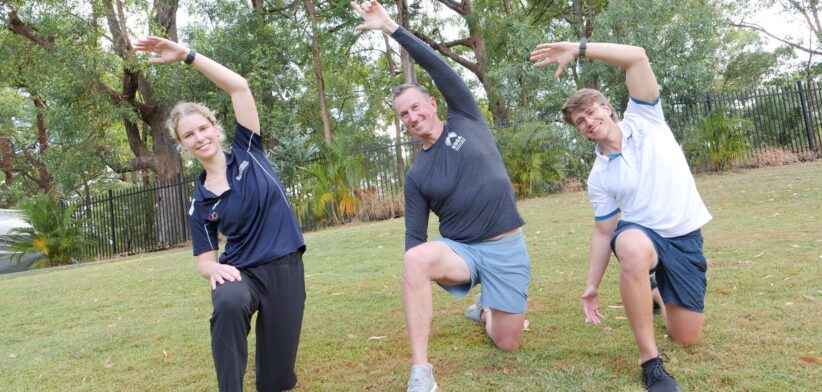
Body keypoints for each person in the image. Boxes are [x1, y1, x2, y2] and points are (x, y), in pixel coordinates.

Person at [351, 1, 530, 391]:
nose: (413, 117)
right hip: (462, 253)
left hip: (506, 246)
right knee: (416, 259)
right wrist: (419, 273)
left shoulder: (465, 116)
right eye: (404, 115)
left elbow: (438, 66)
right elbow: (414, 242)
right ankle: (421, 370)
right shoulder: (417, 176)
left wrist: (390, 28)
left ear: (432, 104)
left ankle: (485, 311)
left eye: (416, 107)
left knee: (508, 342)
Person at [530, 40, 712, 392]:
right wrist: (591, 285)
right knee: (629, 247)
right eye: (580, 122)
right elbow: (603, 232)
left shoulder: (646, 117)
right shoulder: (599, 176)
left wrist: (578, 49)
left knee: (686, 336)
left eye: (592, 113)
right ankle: (651, 362)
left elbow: (637, 56)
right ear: (580, 132)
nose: (589, 122)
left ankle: (653, 292)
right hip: (642, 235)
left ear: (609, 108)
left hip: (685, 236)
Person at [134, 36, 306, 392]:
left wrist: (186, 55)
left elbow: (239, 86)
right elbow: (205, 261)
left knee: (275, 382)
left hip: (285, 268)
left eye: (202, 128)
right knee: (227, 301)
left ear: (215, 127)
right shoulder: (200, 203)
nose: (199, 137)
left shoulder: (248, 152)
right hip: (241, 273)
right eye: (188, 135)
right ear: (182, 146)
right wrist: (213, 268)